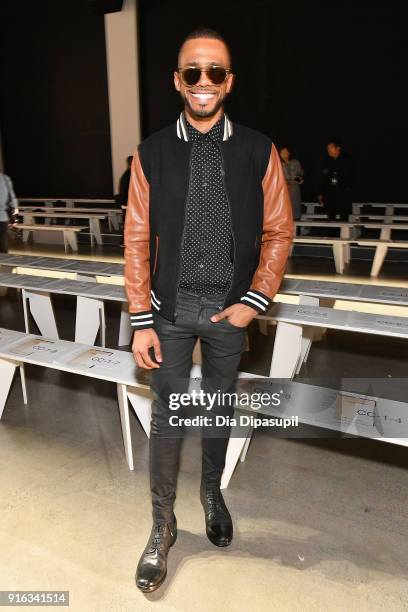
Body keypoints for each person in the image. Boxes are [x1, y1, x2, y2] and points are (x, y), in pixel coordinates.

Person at [124, 27, 293, 593]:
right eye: (192, 72)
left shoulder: (257, 148)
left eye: (215, 72)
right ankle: (162, 523)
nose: (203, 82)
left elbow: (278, 232)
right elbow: (137, 240)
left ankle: (211, 492)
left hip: (229, 313)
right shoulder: (151, 151)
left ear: (229, 81)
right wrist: (140, 318)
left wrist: (254, 302)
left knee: (218, 412)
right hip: (167, 313)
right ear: (177, 81)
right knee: (168, 423)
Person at [318, 137, 353, 221]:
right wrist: (321, 193)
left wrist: (339, 180)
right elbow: (324, 177)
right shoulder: (327, 160)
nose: (328, 150)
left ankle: (344, 233)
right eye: (328, 148)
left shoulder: (347, 159)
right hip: (330, 192)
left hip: (343, 191)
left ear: (338, 148)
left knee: (343, 215)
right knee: (330, 215)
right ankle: (332, 233)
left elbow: (350, 176)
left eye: (331, 148)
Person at [279, 146, 304, 219]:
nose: (283, 154)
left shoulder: (295, 162)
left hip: (294, 188)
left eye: (285, 152)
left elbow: (300, 174)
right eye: (282, 152)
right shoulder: (279, 163)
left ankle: (296, 222)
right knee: (284, 208)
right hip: (283, 189)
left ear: (289, 153)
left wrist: (298, 180)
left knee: (295, 207)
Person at [116, 155, 133, 247]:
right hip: (127, 204)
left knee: (128, 223)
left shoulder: (128, 173)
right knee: (127, 223)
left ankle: (124, 241)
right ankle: (123, 241)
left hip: (126, 203)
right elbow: (125, 191)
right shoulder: (128, 174)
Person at [0, 172, 19, 253]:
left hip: (2, 216)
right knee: (2, 243)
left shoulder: (5, 179)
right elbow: (13, 200)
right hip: (2, 217)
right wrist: (14, 219)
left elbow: (12, 200)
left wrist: (14, 219)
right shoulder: (5, 178)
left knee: (3, 243)